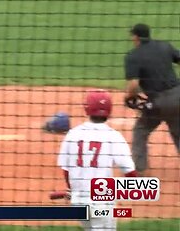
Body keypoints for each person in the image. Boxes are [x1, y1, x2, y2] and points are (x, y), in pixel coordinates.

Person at [57, 90, 137, 231]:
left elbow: (66, 170)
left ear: (86, 108)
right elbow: (130, 173)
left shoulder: (72, 134)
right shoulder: (114, 137)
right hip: (101, 203)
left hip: (79, 203)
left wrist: (71, 189)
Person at [124, 23, 180, 174]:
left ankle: (139, 170)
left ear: (135, 37)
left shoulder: (133, 56)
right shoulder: (164, 46)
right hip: (178, 96)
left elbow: (134, 85)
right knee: (178, 131)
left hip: (158, 102)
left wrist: (128, 97)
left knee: (140, 130)